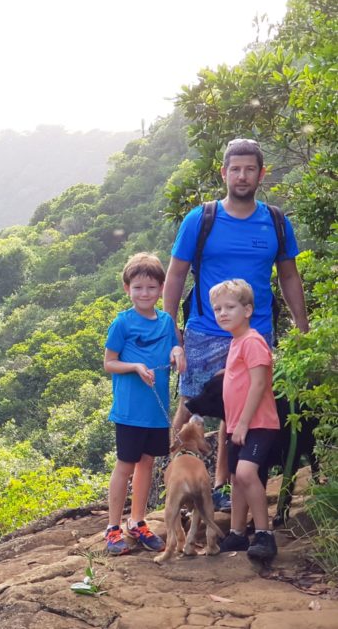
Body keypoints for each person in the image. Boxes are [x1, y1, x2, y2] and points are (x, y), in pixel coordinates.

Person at [163, 138, 308, 511]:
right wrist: (170, 330)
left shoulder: (274, 221)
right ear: (224, 172)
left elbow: (289, 277)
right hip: (204, 330)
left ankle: (223, 485)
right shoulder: (202, 218)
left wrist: (302, 329)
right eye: (235, 169)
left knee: (241, 407)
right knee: (190, 403)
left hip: (256, 332)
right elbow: (176, 274)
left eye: (250, 169)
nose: (242, 176)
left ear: (261, 174)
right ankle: (176, 479)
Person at [103, 252, 186, 555]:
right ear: (127, 289)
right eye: (137, 287)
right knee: (125, 465)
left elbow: (176, 347)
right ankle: (113, 528)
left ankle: (137, 521)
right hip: (129, 410)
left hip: (156, 410)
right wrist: (135, 366)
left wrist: (178, 353)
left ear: (161, 289)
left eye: (151, 288)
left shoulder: (166, 322)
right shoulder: (122, 324)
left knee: (147, 464)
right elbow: (109, 363)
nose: (144, 293)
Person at [209, 279, 280, 560]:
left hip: (258, 423)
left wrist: (243, 422)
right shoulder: (236, 342)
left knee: (248, 474)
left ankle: (264, 533)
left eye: (230, 307)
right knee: (237, 478)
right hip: (240, 424)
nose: (222, 313)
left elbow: (259, 384)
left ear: (248, 310)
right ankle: (238, 533)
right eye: (217, 309)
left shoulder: (252, 341)